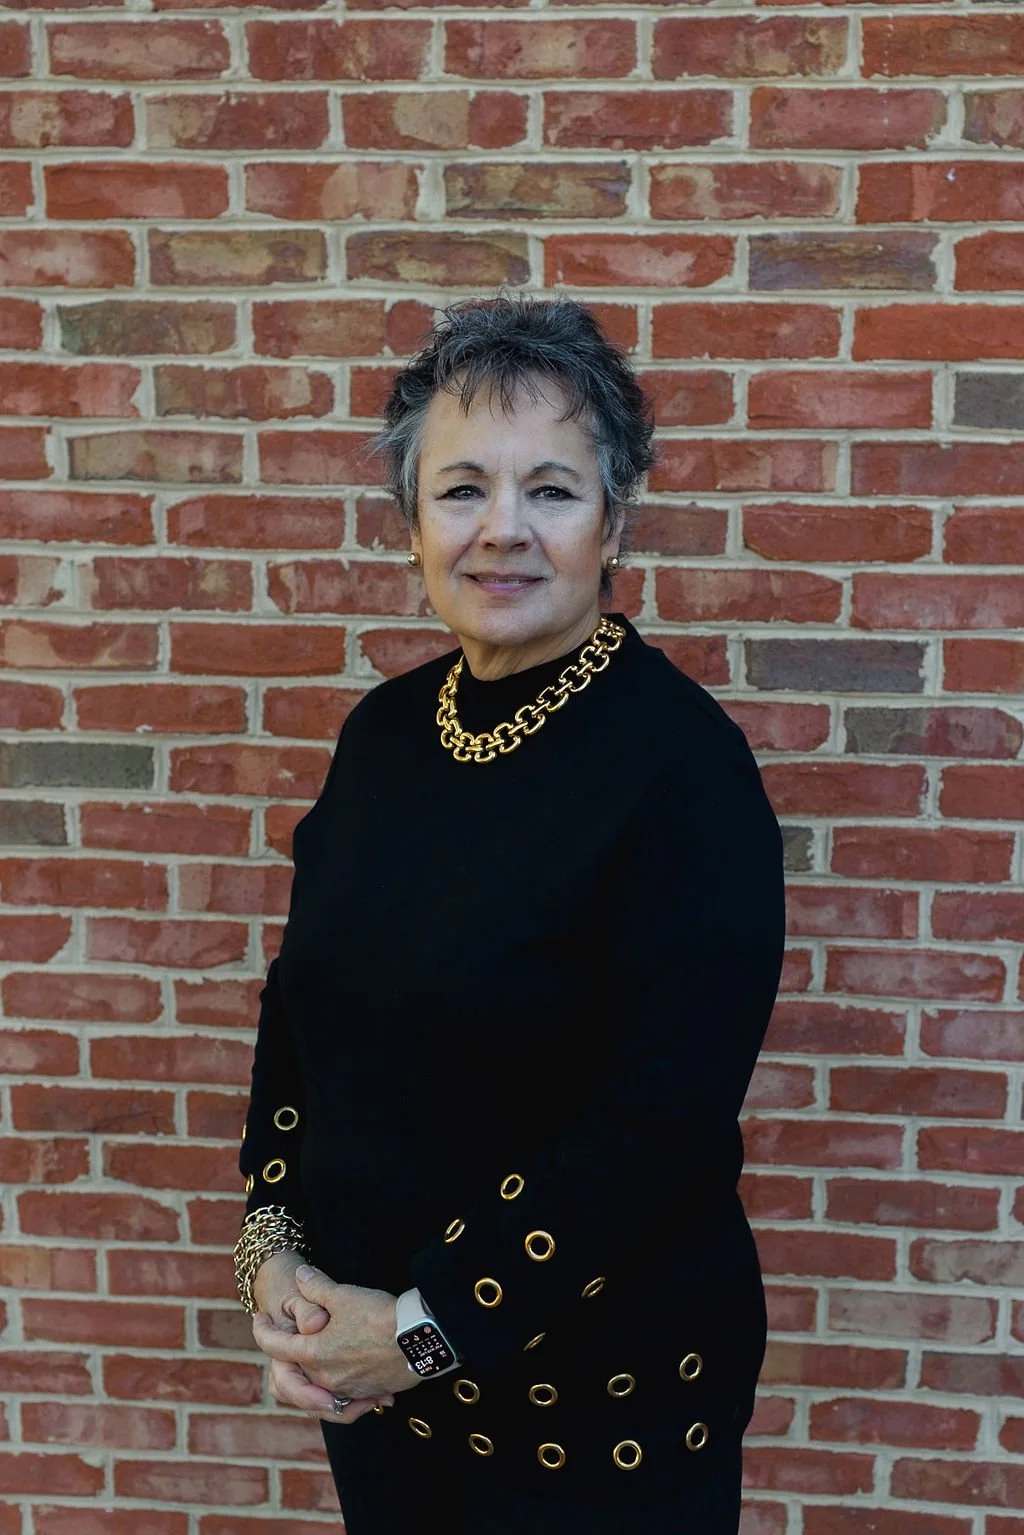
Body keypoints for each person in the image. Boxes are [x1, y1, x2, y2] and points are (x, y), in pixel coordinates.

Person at [233, 295, 786, 1535]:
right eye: (461, 489)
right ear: (411, 521)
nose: (502, 531)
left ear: (614, 516)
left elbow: (656, 1119)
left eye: (550, 489)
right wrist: (275, 1246)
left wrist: (423, 1329)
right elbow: (303, 1007)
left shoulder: (680, 770)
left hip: (597, 1411)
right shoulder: (383, 734)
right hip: (381, 1388)